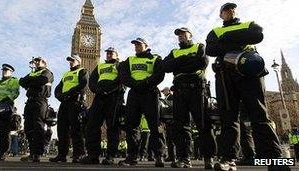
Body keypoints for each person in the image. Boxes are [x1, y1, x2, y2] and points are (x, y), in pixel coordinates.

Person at [205, 2, 288, 171]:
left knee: (259, 113)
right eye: (226, 9)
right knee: (229, 117)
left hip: (250, 72)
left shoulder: (249, 24)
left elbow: (257, 35)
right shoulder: (215, 32)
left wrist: (226, 39)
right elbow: (211, 49)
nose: (230, 11)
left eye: (232, 8)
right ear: (221, 15)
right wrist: (241, 39)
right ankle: (228, 159)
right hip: (225, 74)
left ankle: (273, 159)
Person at [162, 27, 217, 168]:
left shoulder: (200, 46)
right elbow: (165, 66)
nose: (180, 36)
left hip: (197, 88)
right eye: (178, 34)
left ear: (190, 34)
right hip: (179, 90)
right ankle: (184, 158)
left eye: (183, 33)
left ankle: (209, 157)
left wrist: (179, 65)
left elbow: (202, 63)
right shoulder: (174, 52)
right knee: (180, 125)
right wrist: (185, 60)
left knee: (203, 123)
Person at [118, 38, 165, 167]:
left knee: (155, 125)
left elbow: (159, 74)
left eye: (139, 44)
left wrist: (145, 83)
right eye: (135, 45)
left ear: (146, 45)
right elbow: (124, 75)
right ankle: (132, 157)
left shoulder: (155, 59)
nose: (136, 46)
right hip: (134, 94)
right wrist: (135, 84)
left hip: (150, 92)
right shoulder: (130, 60)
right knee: (131, 126)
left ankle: (159, 156)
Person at [80, 47, 124, 165]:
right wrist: (98, 90)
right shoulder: (100, 66)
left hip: (114, 98)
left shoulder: (120, 65)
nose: (109, 55)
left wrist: (108, 90)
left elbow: (121, 79)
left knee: (112, 127)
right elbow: (92, 81)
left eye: (111, 53)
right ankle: (93, 155)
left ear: (116, 55)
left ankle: (110, 156)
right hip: (99, 98)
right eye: (107, 53)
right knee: (92, 125)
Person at [49, 54, 88, 163]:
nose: (70, 62)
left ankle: (78, 154)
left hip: (75, 102)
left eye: (72, 60)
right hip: (64, 103)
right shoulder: (65, 74)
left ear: (78, 62)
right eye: (69, 60)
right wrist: (59, 95)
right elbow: (58, 88)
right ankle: (62, 154)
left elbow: (83, 84)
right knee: (62, 129)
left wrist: (69, 93)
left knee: (76, 129)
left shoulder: (82, 71)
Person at [19, 57, 53, 162]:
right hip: (29, 101)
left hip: (40, 101)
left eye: (39, 61)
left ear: (44, 63)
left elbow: (43, 80)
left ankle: (37, 154)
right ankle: (32, 153)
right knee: (28, 127)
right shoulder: (33, 73)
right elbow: (21, 81)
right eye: (36, 61)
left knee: (38, 127)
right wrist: (33, 82)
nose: (36, 63)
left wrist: (29, 82)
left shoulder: (48, 72)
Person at [0, 64, 20, 161]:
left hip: (5, 107)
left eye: (6, 70)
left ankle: (3, 152)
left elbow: (15, 92)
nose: (4, 71)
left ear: (11, 72)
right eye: (3, 70)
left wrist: (7, 100)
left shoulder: (14, 80)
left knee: (3, 132)